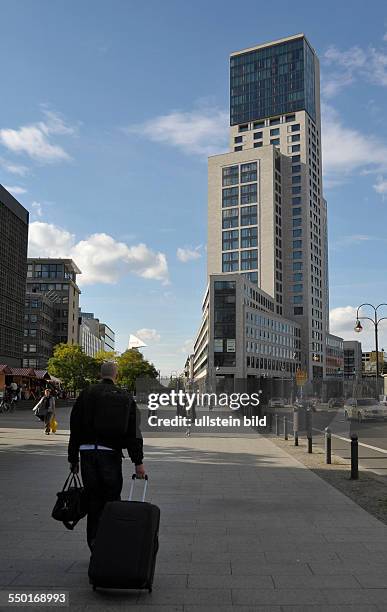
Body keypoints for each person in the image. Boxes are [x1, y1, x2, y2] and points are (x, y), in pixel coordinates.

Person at [68, 361, 146, 551]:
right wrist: (138, 462)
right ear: (116, 375)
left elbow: (75, 427)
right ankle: (110, 546)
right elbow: (133, 432)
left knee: (93, 499)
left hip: (87, 453)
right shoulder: (124, 397)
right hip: (110, 454)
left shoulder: (86, 394)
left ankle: (94, 545)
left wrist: (73, 458)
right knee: (111, 499)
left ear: (99, 374)